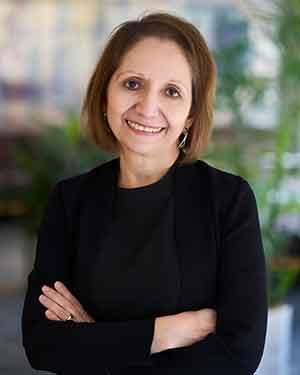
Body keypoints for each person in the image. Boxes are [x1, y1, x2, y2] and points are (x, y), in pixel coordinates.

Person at [21, 11, 267, 375]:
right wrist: (163, 334)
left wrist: (97, 341)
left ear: (190, 116)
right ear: (105, 94)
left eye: (172, 92)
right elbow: (43, 345)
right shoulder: (70, 201)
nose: (148, 107)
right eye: (133, 84)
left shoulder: (228, 200)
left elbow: (238, 356)